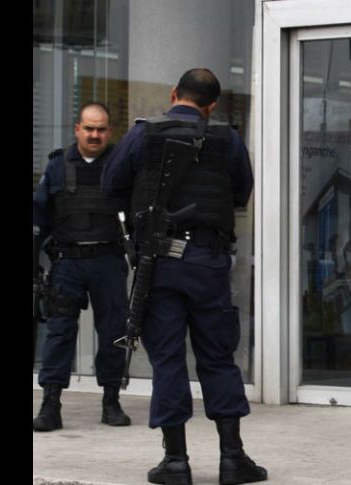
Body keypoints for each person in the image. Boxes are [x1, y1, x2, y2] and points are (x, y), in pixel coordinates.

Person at [101, 68, 266, 485]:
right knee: (217, 355)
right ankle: (233, 459)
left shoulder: (142, 134)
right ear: (212, 106)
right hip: (208, 261)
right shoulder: (226, 138)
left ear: (174, 93)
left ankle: (175, 462)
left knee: (168, 360)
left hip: (159, 263)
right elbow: (241, 191)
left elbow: (110, 184)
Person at [32, 102, 132, 432]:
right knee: (60, 332)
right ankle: (50, 403)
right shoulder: (58, 166)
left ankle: (111, 400)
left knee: (114, 333)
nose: (94, 134)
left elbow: (136, 214)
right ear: (77, 129)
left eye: (101, 129)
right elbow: (39, 216)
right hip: (67, 261)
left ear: (109, 131)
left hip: (108, 260)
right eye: (89, 128)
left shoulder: (122, 165)